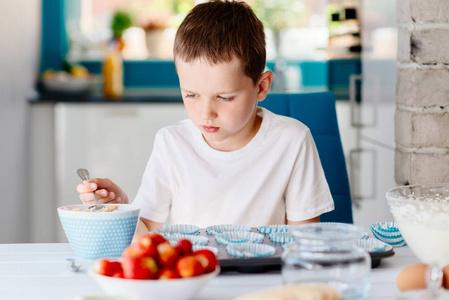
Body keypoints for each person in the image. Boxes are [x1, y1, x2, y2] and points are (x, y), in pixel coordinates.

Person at [77, 0, 334, 239]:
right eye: (191, 95)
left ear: (261, 87)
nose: (205, 113)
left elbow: (306, 243)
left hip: (264, 281)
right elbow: (146, 235)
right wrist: (120, 210)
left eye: (224, 97)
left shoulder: (292, 141)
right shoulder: (172, 143)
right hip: (191, 281)